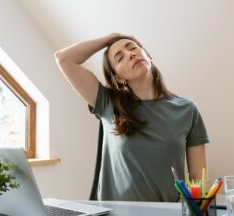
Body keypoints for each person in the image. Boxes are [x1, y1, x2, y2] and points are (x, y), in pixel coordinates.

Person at [54, 33, 209, 202]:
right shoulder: (107, 103)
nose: (130, 54)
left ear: (147, 54)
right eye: (119, 58)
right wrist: (112, 37)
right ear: (119, 78)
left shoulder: (187, 110)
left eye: (133, 47)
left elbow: (197, 178)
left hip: (168, 212)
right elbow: (63, 58)